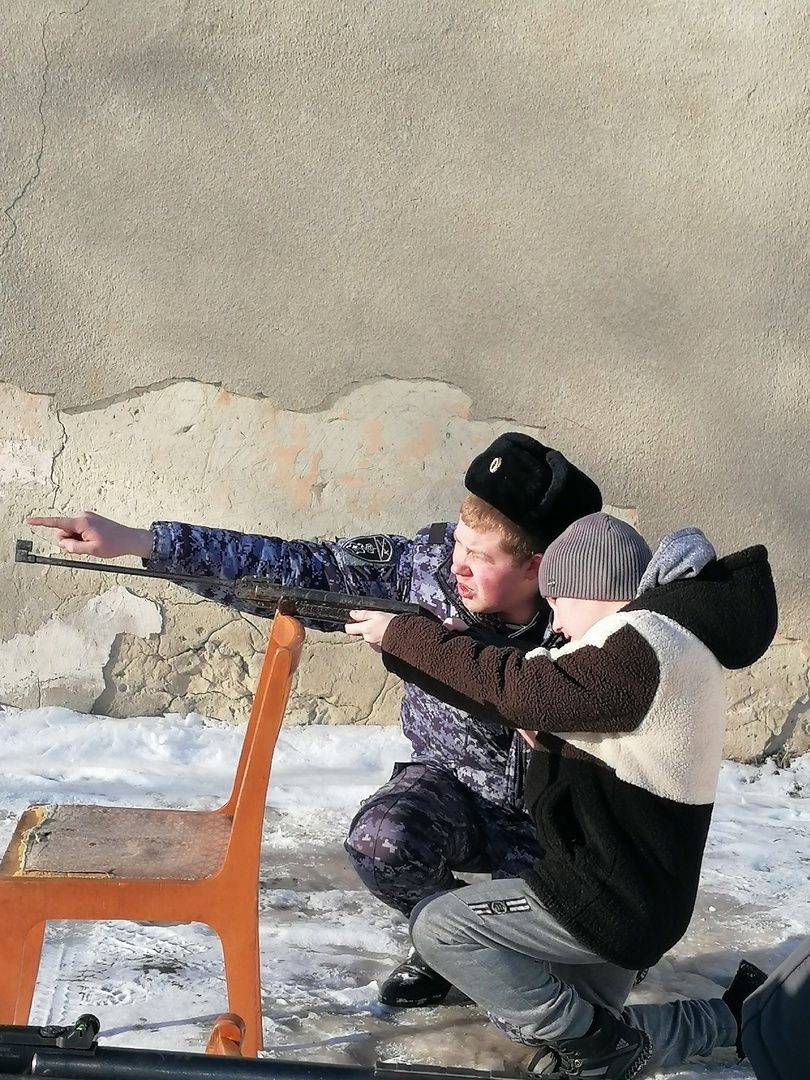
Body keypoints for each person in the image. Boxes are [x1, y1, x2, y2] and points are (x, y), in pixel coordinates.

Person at [27, 431, 603, 1008]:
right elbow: (297, 568)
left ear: (537, 567)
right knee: (381, 841)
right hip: (452, 785)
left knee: (564, 979)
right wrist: (140, 541)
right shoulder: (423, 570)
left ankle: (514, 949)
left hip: (556, 811)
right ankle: (444, 940)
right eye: (458, 542)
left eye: (480, 557)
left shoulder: (595, 609)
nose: (457, 565)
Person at [345, 512, 778, 1078]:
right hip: (639, 897)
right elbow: (538, 697)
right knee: (575, 1035)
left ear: (592, 589)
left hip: (609, 900)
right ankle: (728, 1020)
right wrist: (465, 668)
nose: (557, 622)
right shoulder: (668, 641)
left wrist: (405, 636)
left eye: (557, 602)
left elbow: (519, 687)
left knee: (439, 927)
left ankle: (599, 1045)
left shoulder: (638, 643)